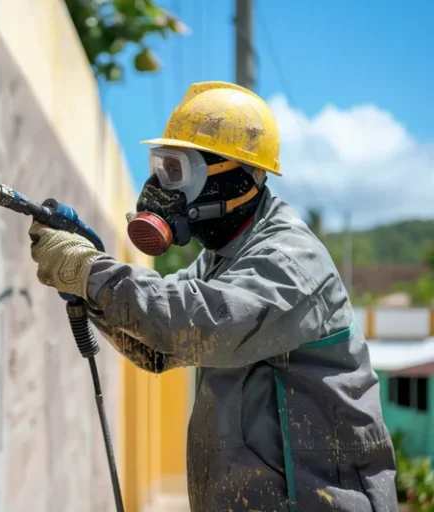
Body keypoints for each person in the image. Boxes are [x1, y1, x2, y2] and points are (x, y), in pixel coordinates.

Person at [27, 81, 397, 511]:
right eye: (160, 167)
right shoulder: (222, 258)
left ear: (240, 175)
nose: (159, 187)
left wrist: (89, 273)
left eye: (177, 171)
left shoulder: (290, 260)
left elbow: (202, 322)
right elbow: (161, 350)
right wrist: (89, 288)